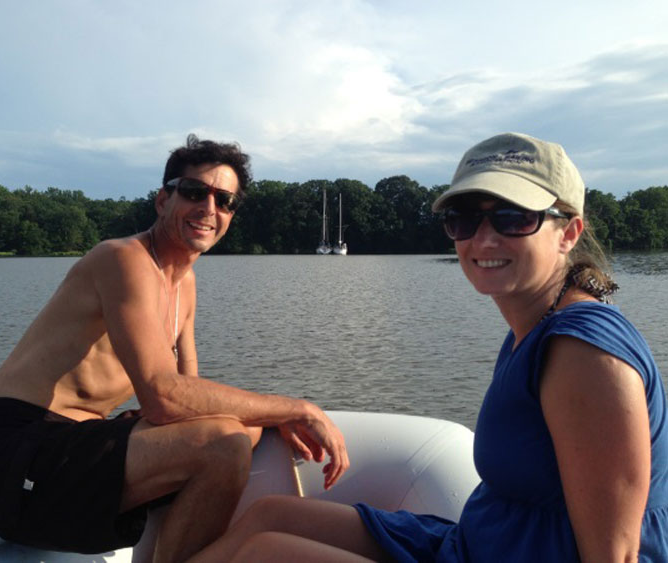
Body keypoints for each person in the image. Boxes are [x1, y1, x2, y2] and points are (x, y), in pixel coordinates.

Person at [187, 132, 668, 562]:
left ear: (568, 232)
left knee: (268, 554)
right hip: (471, 545)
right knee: (269, 516)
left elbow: (617, 555)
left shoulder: (584, 353)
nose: (483, 237)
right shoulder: (537, 324)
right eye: (463, 218)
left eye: (512, 217)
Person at [0, 134, 349, 563]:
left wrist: (269, 418)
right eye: (195, 192)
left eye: (225, 201)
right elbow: (163, 398)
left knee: (243, 431)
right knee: (224, 445)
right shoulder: (123, 259)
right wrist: (297, 409)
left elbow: (190, 395)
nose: (209, 209)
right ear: (163, 199)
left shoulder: (185, 286)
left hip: (70, 450)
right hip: (9, 453)